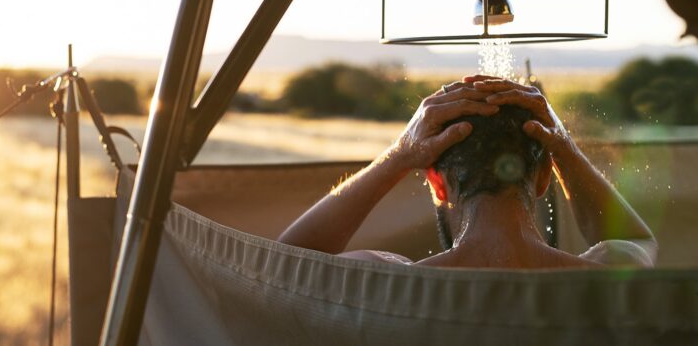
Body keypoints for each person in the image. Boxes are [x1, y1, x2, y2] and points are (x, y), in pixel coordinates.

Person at [278, 76, 657, 268]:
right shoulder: (608, 284)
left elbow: (283, 262)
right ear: (544, 178)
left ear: (438, 185)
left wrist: (399, 156)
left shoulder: (386, 283)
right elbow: (638, 240)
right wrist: (563, 147)